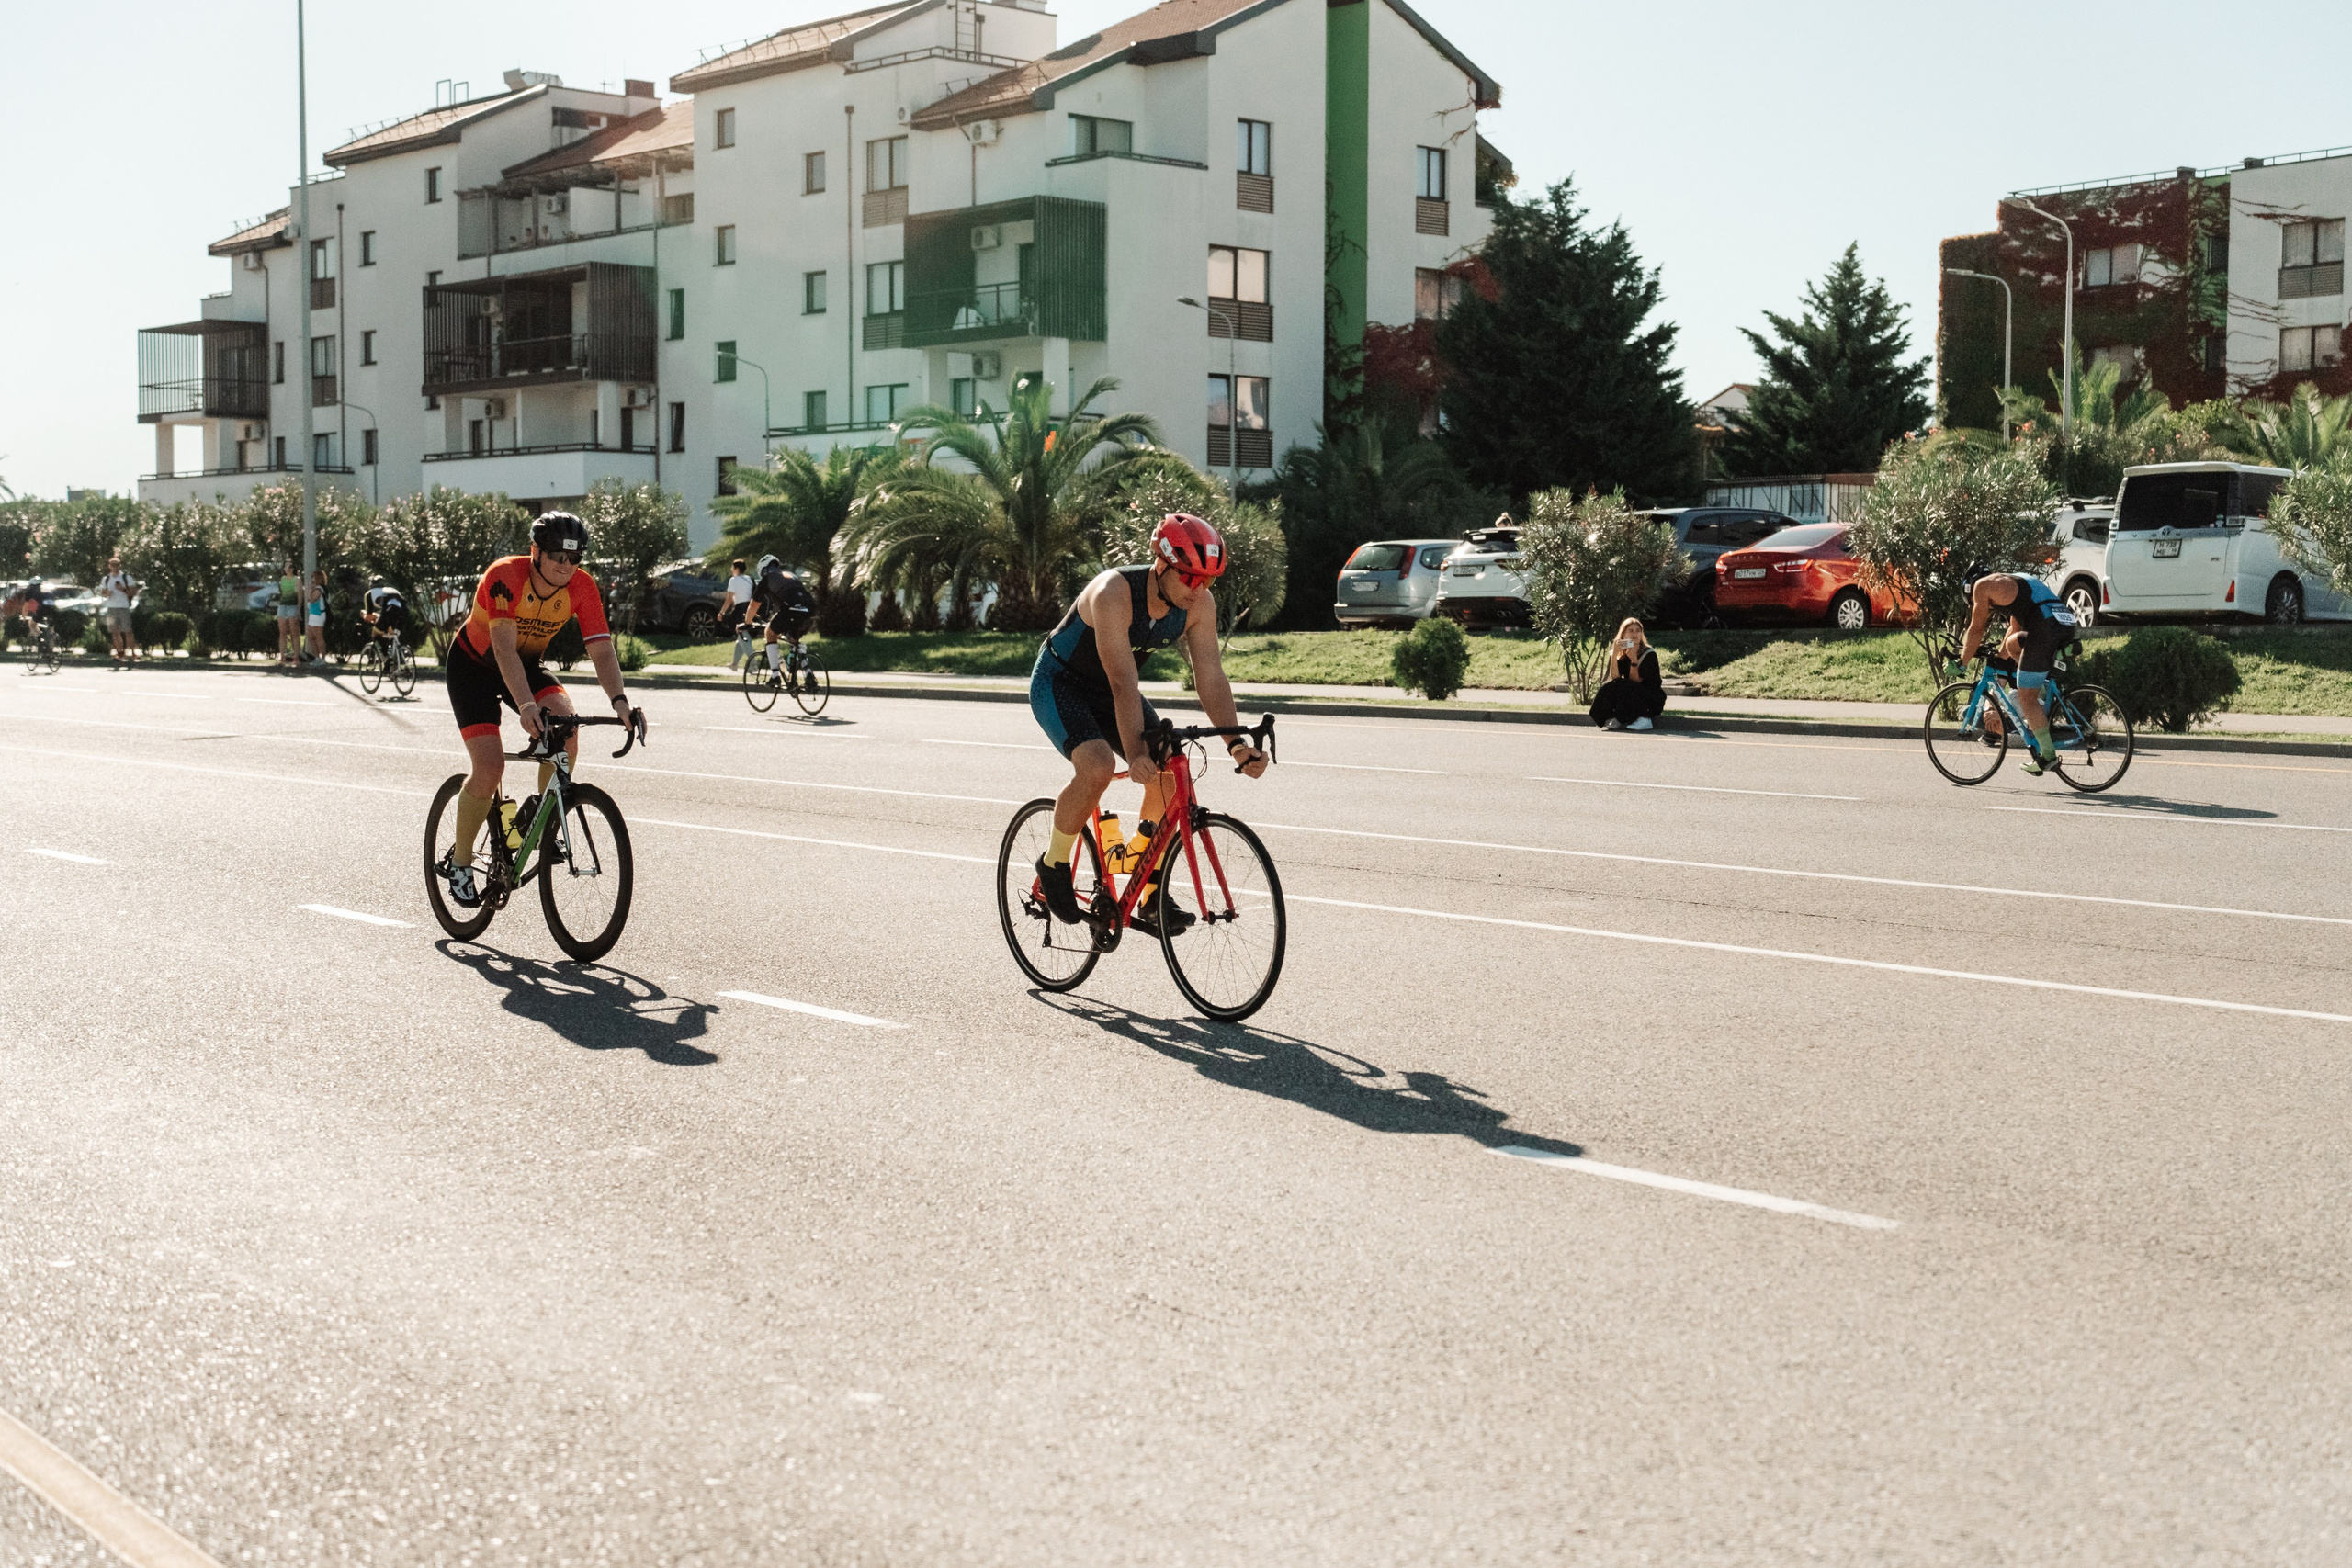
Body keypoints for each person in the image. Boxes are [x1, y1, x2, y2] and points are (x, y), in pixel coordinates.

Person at [1030, 514, 1268, 938]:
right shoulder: (1113, 593)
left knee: (1171, 778)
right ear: (1161, 564)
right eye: (1190, 577)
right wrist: (1137, 753)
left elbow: (1211, 678)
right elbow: (1124, 683)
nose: (1198, 589)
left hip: (1112, 691)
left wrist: (1236, 744)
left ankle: (1150, 890)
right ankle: (1054, 863)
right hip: (1061, 683)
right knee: (1098, 766)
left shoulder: (1198, 606)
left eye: (1208, 580)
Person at [438, 512, 641, 908]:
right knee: (490, 767)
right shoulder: (504, 577)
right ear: (536, 553)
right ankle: (460, 862)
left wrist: (620, 702)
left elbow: (601, 648)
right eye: (557, 557)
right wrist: (527, 705)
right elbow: (502, 649)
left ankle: (543, 823)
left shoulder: (582, 587)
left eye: (574, 558)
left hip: (526, 664)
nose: (566, 566)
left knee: (567, 728)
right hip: (474, 668)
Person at [1951, 570, 2077, 776]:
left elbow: (1976, 629)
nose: (1987, 608)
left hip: (2044, 629)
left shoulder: (1982, 586)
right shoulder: (2014, 582)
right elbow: (2014, 631)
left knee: (2026, 698)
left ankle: (2047, 756)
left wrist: (1962, 662)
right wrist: (1999, 663)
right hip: (2064, 624)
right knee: (2012, 645)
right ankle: (2038, 698)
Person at [1589, 616, 1664, 731]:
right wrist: (1614, 655)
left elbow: (1636, 681)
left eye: (1638, 631)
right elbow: (1615, 678)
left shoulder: (1649, 654)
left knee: (1626, 686)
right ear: (1623, 634)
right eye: (1631, 631)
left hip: (1651, 698)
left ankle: (1645, 719)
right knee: (1611, 686)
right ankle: (1614, 717)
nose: (1635, 634)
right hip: (1634, 693)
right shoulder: (1623, 654)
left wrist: (1634, 661)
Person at [752, 555, 818, 684]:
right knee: (793, 640)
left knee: (769, 633)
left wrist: (747, 622)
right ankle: (808, 673)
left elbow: (753, 605)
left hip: (791, 611)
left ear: (763, 570)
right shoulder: (791, 576)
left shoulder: (767, 579)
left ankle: (775, 676)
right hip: (810, 610)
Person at [100, 556, 141, 667]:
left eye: (117, 565)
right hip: (111, 607)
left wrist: (122, 589)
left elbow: (133, 592)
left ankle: (133, 652)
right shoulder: (106, 579)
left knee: (127, 630)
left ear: (120, 566)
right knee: (115, 632)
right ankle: (120, 653)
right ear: (109, 566)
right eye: (113, 565)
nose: (115, 567)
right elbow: (103, 592)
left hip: (123, 607)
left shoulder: (126, 577)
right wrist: (107, 593)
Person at [718, 557, 758, 671]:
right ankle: (735, 664)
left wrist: (721, 612)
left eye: (732, 567)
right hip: (750, 609)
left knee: (744, 637)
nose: (731, 569)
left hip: (740, 610)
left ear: (736, 569)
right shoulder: (750, 579)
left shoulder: (733, 580)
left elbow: (729, 599)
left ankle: (753, 665)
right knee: (741, 637)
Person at [362, 581, 409, 649]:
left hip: (390, 609)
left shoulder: (369, 594)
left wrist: (364, 616)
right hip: (404, 611)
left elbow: (369, 617)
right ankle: (400, 652)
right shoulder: (391, 589)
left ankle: (385, 654)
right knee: (393, 633)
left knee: (375, 633)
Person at [276, 558, 302, 668]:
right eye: (286, 566)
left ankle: (296, 657)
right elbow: (282, 594)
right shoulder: (282, 579)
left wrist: (298, 610)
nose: (288, 568)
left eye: (290, 566)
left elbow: (300, 595)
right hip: (283, 606)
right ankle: (282, 657)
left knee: (294, 632)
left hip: (293, 606)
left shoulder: (297, 579)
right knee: (282, 633)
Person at [304, 570, 330, 664]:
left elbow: (311, 599)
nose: (312, 579)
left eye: (314, 577)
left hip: (318, 615)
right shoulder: (316, 589)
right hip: (313, 614)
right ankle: (316, 657)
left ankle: (322, 658)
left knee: (319, 637)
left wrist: (309, 589)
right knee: (310, 636)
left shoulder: (319, 589)